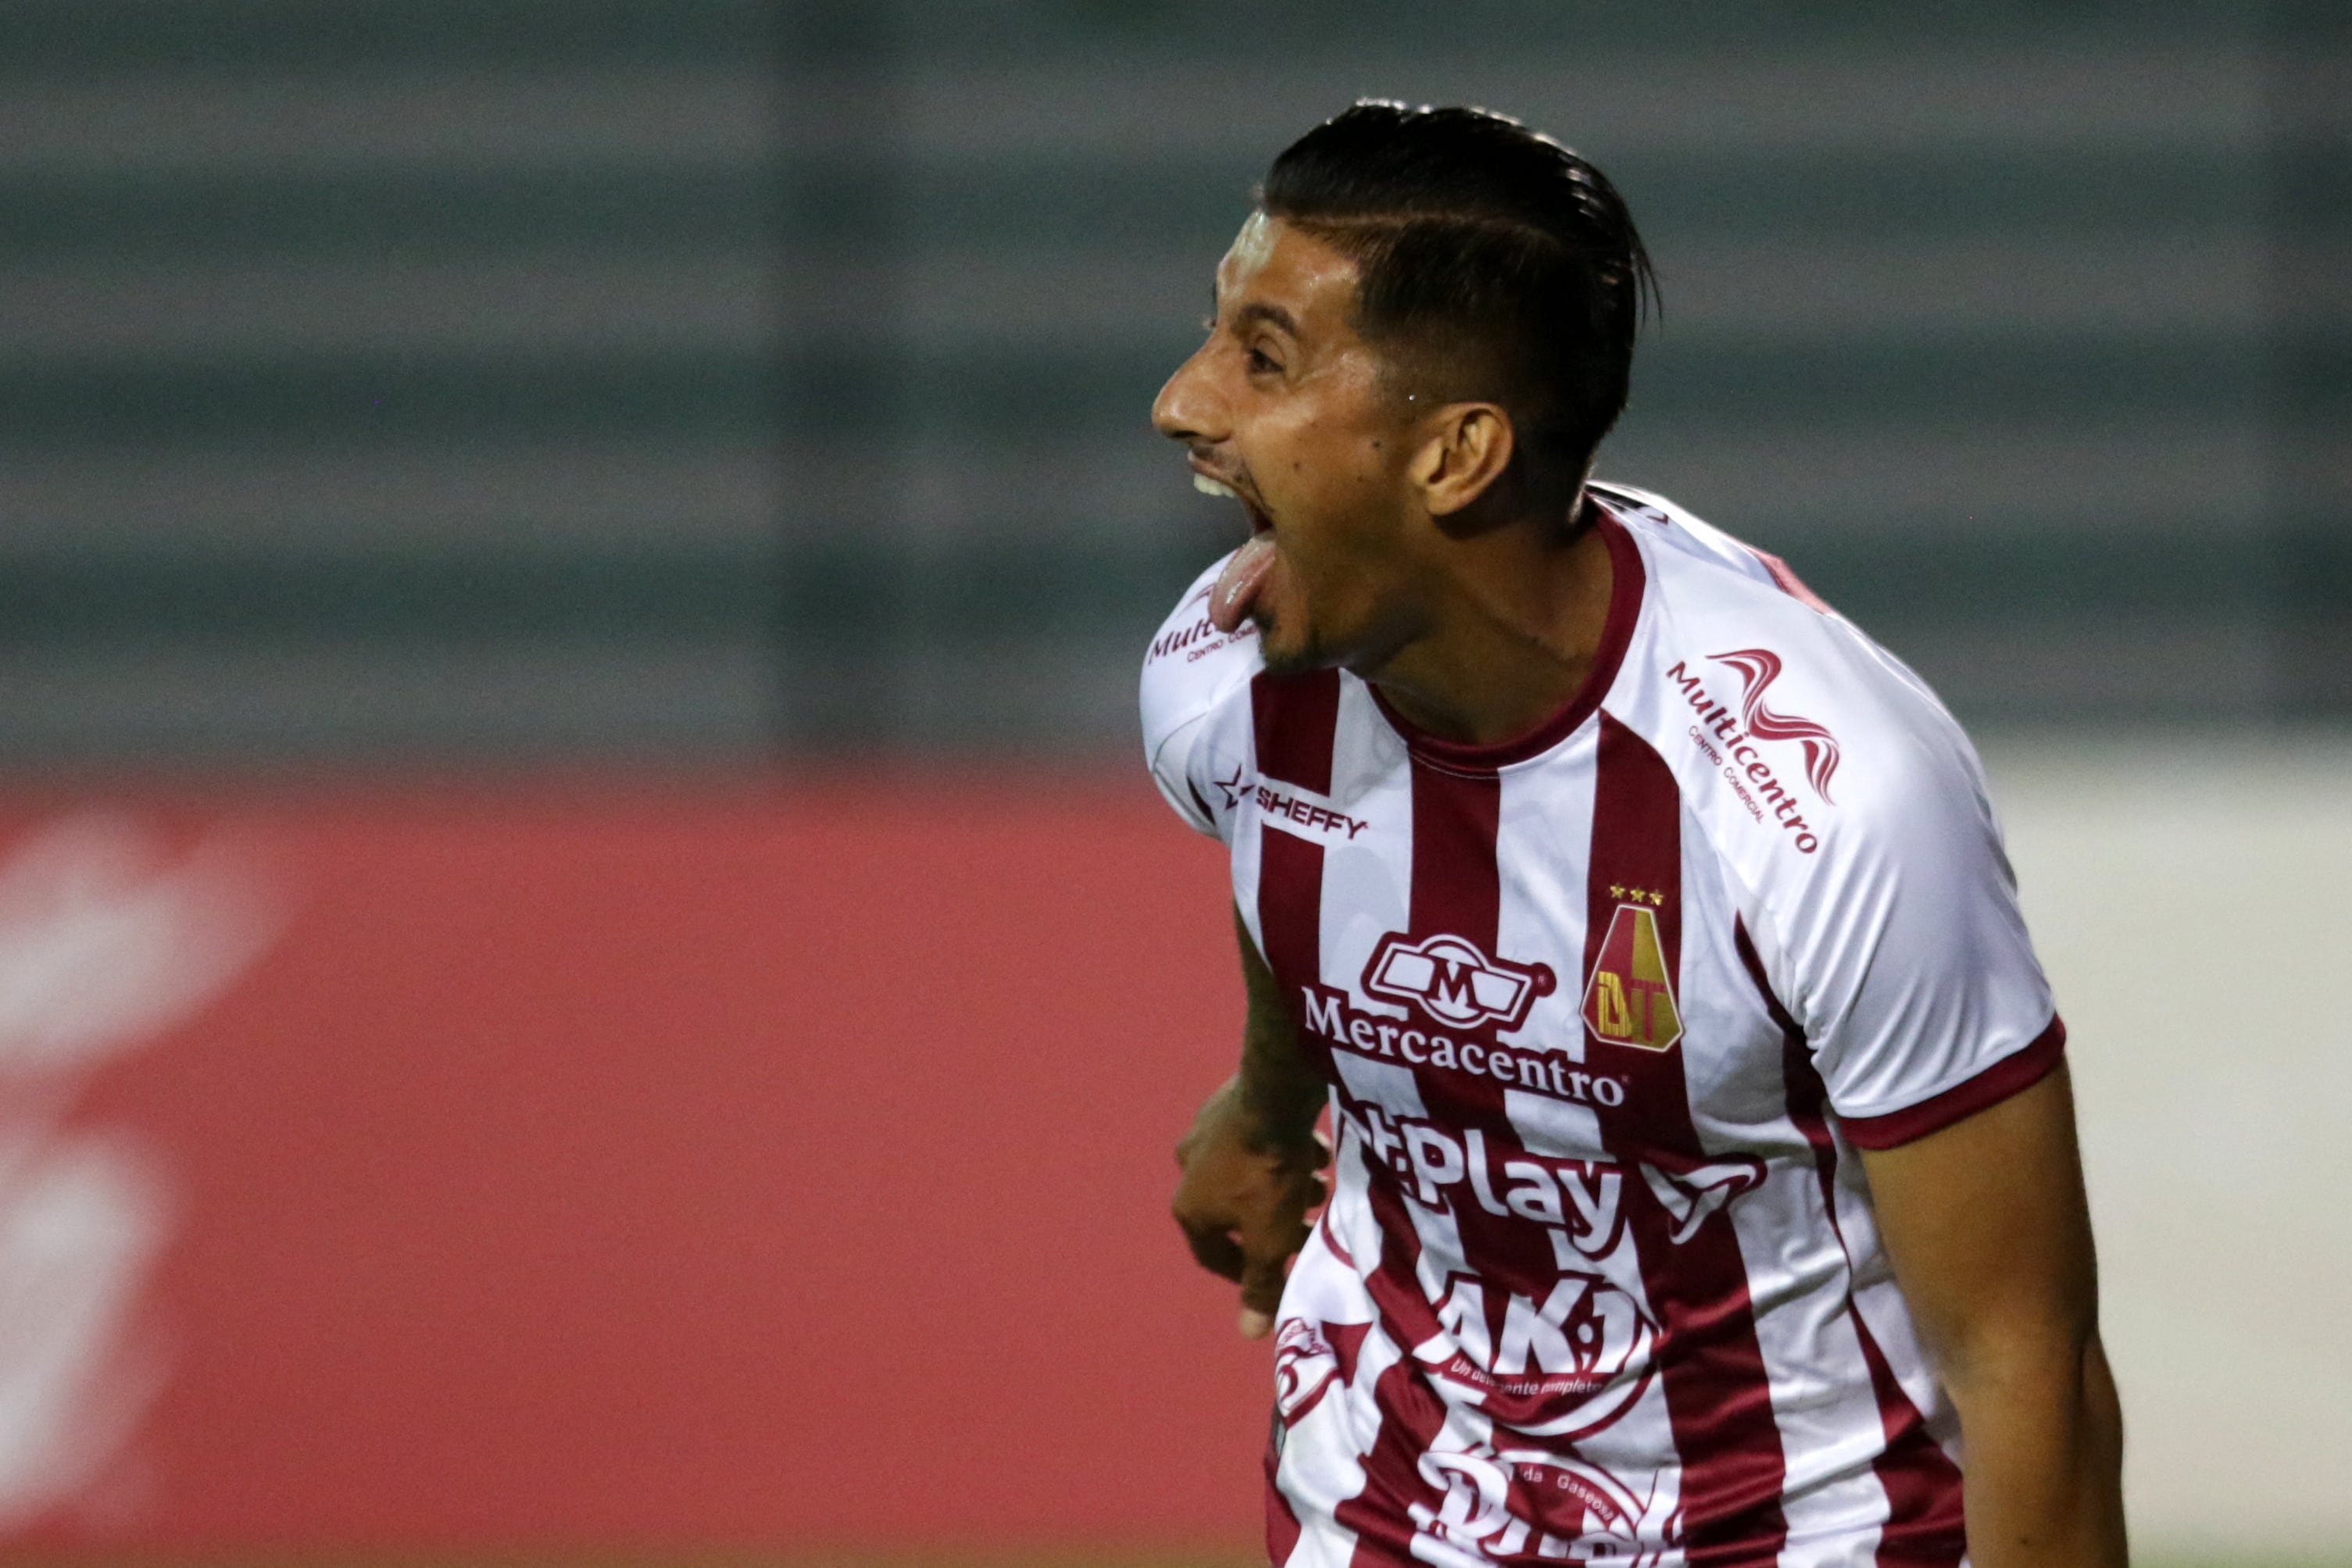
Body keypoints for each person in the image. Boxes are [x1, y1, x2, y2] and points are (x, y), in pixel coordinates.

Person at [1138, 102, 2126, 1568]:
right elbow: (1297, 864)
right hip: (1402, 1497)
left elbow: (2022, 1364)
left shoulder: (1827, 803)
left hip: (1793, 1526)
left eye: (1263, 358)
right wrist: (1274, 1107)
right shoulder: (1220, 679)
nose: (1183, 401)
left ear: (1456, 456)